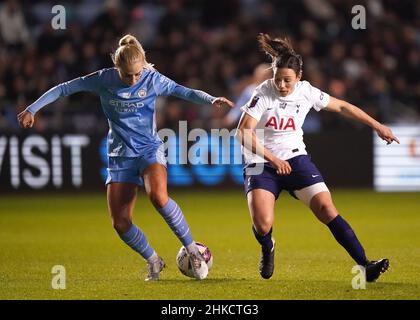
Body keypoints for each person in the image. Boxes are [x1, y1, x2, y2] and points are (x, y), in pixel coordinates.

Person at [17, 34, 234, 281]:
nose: (133, 79)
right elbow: (65, 88)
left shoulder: (152, 79)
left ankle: (193, 251)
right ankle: (153, 260)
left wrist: (210, 99)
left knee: (159, 197)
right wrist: (32, 108)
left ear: (143, 66)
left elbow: (182, 91)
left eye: (137, 74)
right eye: (127, 75)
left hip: (148, 150)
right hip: (120, 156)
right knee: (120, 223)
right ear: (116, 67)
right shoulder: (103, 79)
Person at [235, 33, 399, 281]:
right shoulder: (264, 92)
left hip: (295, 158)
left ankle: (365, 266)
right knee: (263, 224)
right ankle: (268, 247)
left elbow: (343, 107)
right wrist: (273, 159)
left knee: (326, 207)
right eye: (278, 80)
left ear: (299, 77)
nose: (281, 86)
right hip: (261, 162)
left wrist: (377, 125)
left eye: (287, 81)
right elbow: (243, 133)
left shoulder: (306, 92)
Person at [223, 63, 272, 129]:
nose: (264, 79)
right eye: (262, 76)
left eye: (267, 77)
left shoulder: (277, 92)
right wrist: (230, 119)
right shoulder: (250, 91)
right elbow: (239, 108)